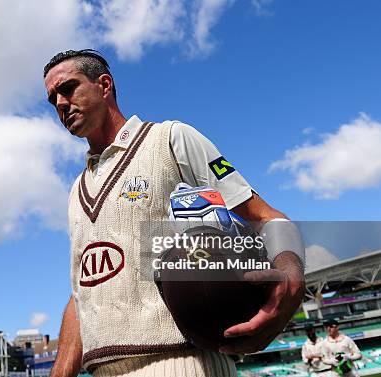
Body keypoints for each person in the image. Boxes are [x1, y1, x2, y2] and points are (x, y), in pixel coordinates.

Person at [43, 49, 305, 377]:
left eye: (68, 88)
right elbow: (84, 286)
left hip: (182, 362)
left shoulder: (169, 139)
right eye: (52, 99)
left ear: (105, 85)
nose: (61, 104)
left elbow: (265, 217)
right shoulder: (76, 189)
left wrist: (292, 278)